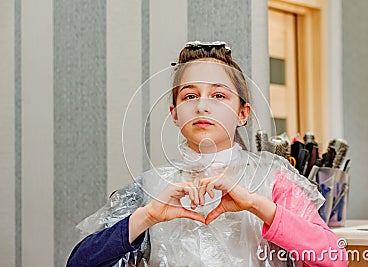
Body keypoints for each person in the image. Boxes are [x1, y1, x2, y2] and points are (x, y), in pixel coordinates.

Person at [67, 41, 348, 267]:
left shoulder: (273, 181)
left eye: (218, 95)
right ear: (174, 114)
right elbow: (79, 263)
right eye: (190, 96)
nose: (202, 106)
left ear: (242, 113)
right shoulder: (150, 189)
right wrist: (148, 215)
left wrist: (255, 204)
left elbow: (335, 258)